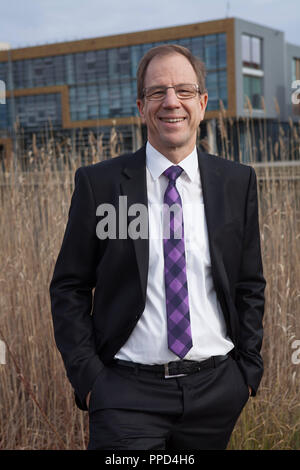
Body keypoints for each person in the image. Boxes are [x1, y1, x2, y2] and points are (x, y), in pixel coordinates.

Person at [49, 44, 266, 450]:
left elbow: (249, 283)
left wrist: (247, 373)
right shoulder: (101, 185)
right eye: (157, 92)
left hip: (216, 392)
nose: (171, 102)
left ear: (202, 104)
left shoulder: (237, 182)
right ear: (140, 105)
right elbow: (69, 287)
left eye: (184, 91)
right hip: (126, 395)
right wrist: (91, 381)